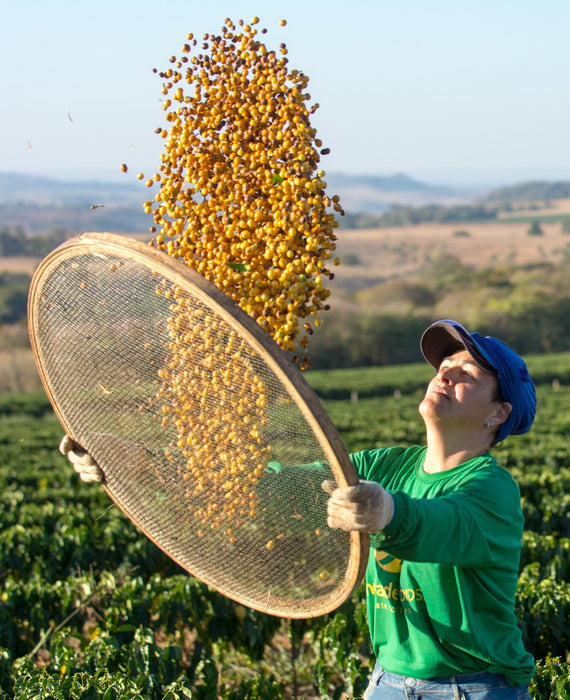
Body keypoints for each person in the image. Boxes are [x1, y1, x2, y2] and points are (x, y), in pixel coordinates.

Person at [60, 319, 536, 699]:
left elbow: (441, 526)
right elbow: (273, 491)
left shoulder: (491, 490)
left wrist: (387, 511)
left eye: (468, 373)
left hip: (474, 686)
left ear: (498, 414)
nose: (445, 372)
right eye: (445, 364)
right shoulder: (385, 465)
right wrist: (144, 464)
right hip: (390, 680)